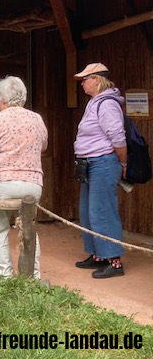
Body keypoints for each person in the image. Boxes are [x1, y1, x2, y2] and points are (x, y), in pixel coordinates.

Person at [0, 76, 48, 279]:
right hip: (32, 183)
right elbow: (44, 146)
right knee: (30, 230)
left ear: (2, 99)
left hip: (0, 182)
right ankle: (33, 276)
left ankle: (5, 278)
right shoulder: (36, 119)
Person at [73, 62, 127, 278]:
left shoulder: (107, 104)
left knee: (102, 211)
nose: (82, 83)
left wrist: (122, 163)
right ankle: (98, 255)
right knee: (87, 211)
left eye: (85, 79)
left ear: (97, 79)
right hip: (90, 163)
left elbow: (117, 137)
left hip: (103, 163)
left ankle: (114, 261)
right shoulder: (95, 102)